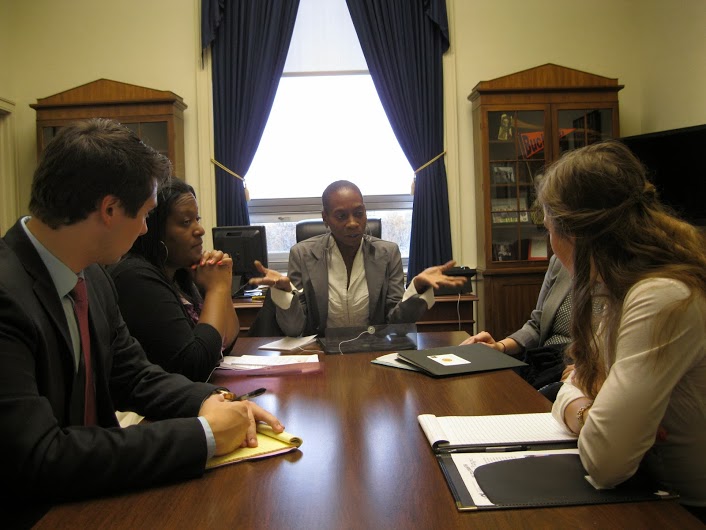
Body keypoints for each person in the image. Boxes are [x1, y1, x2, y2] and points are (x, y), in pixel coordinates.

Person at [0, 119, 283, 527]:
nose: (147, 229)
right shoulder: (6, 293)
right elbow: (40, 456)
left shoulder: (93, 277)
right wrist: (203, 435)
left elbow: (134, 377)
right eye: (147, 214)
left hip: (92, 500)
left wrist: (209, 401)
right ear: (110, 210)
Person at [537, 140, 706, 519]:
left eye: (549, 230)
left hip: (684, 511)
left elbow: (606, 460)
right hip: (652, 490)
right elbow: (577, 378)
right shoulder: (619, 290)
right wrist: (586, 403)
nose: (551, 247)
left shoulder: (660, 297)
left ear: (575, 233)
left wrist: (581, 409)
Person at [250, 180, 467, 337]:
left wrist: (417, 289)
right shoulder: (303, 254)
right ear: (325, 218)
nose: (353, 223)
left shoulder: (388, 253)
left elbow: (397, 323)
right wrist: (285, 294)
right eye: (341, 216)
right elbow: (295, 329)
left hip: (372, 352)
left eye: (359, 213)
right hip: (322, 356)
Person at [109, 179, 238, 382]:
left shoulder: (181, 274)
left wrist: (222, 285)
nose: (200, 230)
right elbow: (195, 367)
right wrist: (217, 289)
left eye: (197, 218)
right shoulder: (136, 278)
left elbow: (226, 342)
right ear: (154, 229)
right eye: (186, 222)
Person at [461, 254, 572, 399]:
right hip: (543, 361)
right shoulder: (559, 261)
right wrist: (500, 347)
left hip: (575, 369)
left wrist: (590, 369)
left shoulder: (607, 270)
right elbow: (536, 326)